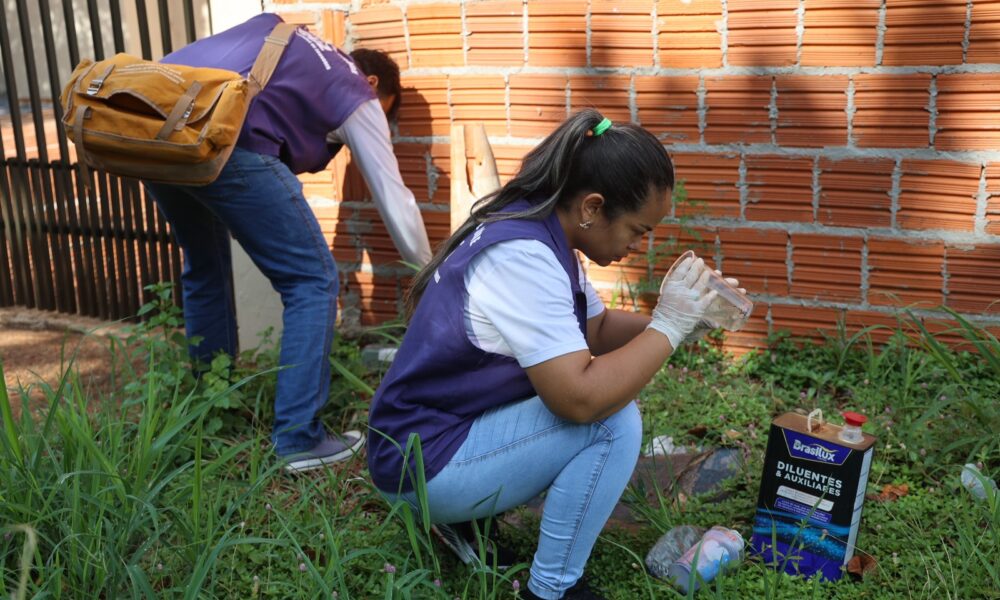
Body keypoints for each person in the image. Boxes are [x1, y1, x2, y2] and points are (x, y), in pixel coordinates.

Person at [367, 109, 739, 599]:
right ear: (592, 207)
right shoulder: (523, 257)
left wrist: (684, 322)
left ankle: (469, 521)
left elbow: (598, 328)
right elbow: (579, 400)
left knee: (603, 408)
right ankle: (552, 590)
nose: (637, 245)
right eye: (636, 230)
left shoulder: (540, 230)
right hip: (423, 464)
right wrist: (666, 326)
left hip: (428, 439)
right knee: (610, 420)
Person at [144, 13, 432, 472]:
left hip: (156, 130)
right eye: (386, 107)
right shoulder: (356, 90)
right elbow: (394, 199)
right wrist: (431, 274)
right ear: (373, 80)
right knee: (312, 281)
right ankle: (299, 440)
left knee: (205, 264)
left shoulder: (290, 42)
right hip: (226, 138)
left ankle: (208, 407)